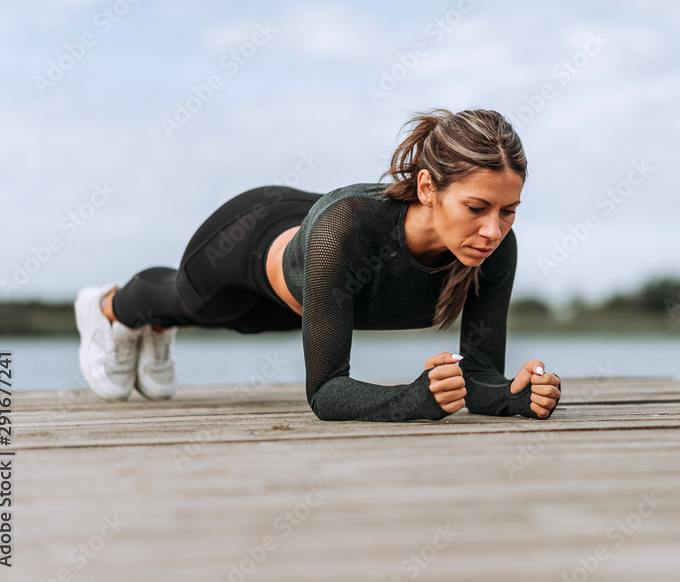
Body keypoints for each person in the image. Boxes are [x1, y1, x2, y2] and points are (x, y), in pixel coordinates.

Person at [73, 108, 562, 422]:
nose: (494, 231)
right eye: (477, 208)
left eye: (509, 210)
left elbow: (478, 377)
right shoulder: (345, 230)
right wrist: (412, 400)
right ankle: (110, 309)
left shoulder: (494, 252)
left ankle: (157, 328)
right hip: (249, 239)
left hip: (305, 291)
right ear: (428, 188)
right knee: (189, 301)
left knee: (249, 326)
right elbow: (326, 391)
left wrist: (516, 397)